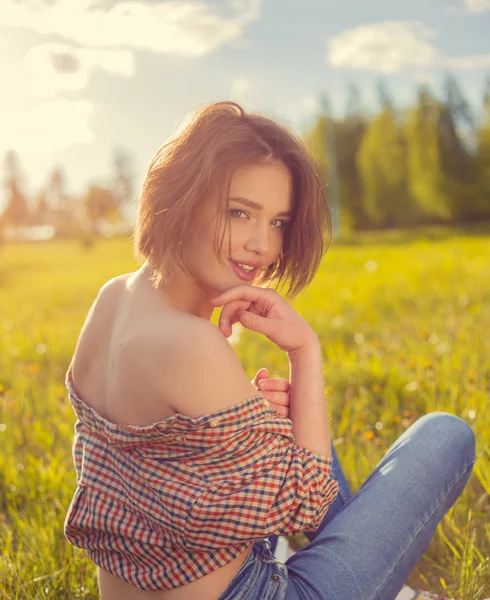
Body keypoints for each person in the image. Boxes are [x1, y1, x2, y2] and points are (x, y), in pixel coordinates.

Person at [63, 101, 476, 600]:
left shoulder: (113, 296)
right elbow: (308, 501)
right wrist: (304, 349)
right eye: (240, 213)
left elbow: (146, 468)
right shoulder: (190, 344)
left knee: (288, 422)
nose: (262, 245)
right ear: (182, 198)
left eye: (278, 222)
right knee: (445, 434)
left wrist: (253, 423)